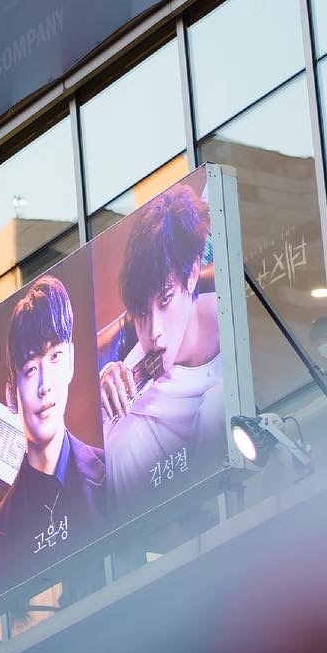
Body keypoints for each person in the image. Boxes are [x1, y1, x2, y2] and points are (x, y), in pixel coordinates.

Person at [99, 183, 225, 505]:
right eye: (141, 312)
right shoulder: (128, 392)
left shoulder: (233, 319)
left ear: (192, 274)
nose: (153, 331)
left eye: (165, 299)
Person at [0, 273, 106, 587]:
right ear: (11, 395)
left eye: (55, 357)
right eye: (30, 369)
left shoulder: (112, 471)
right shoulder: (0, 534)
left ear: (70, 362)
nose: (45, 386)